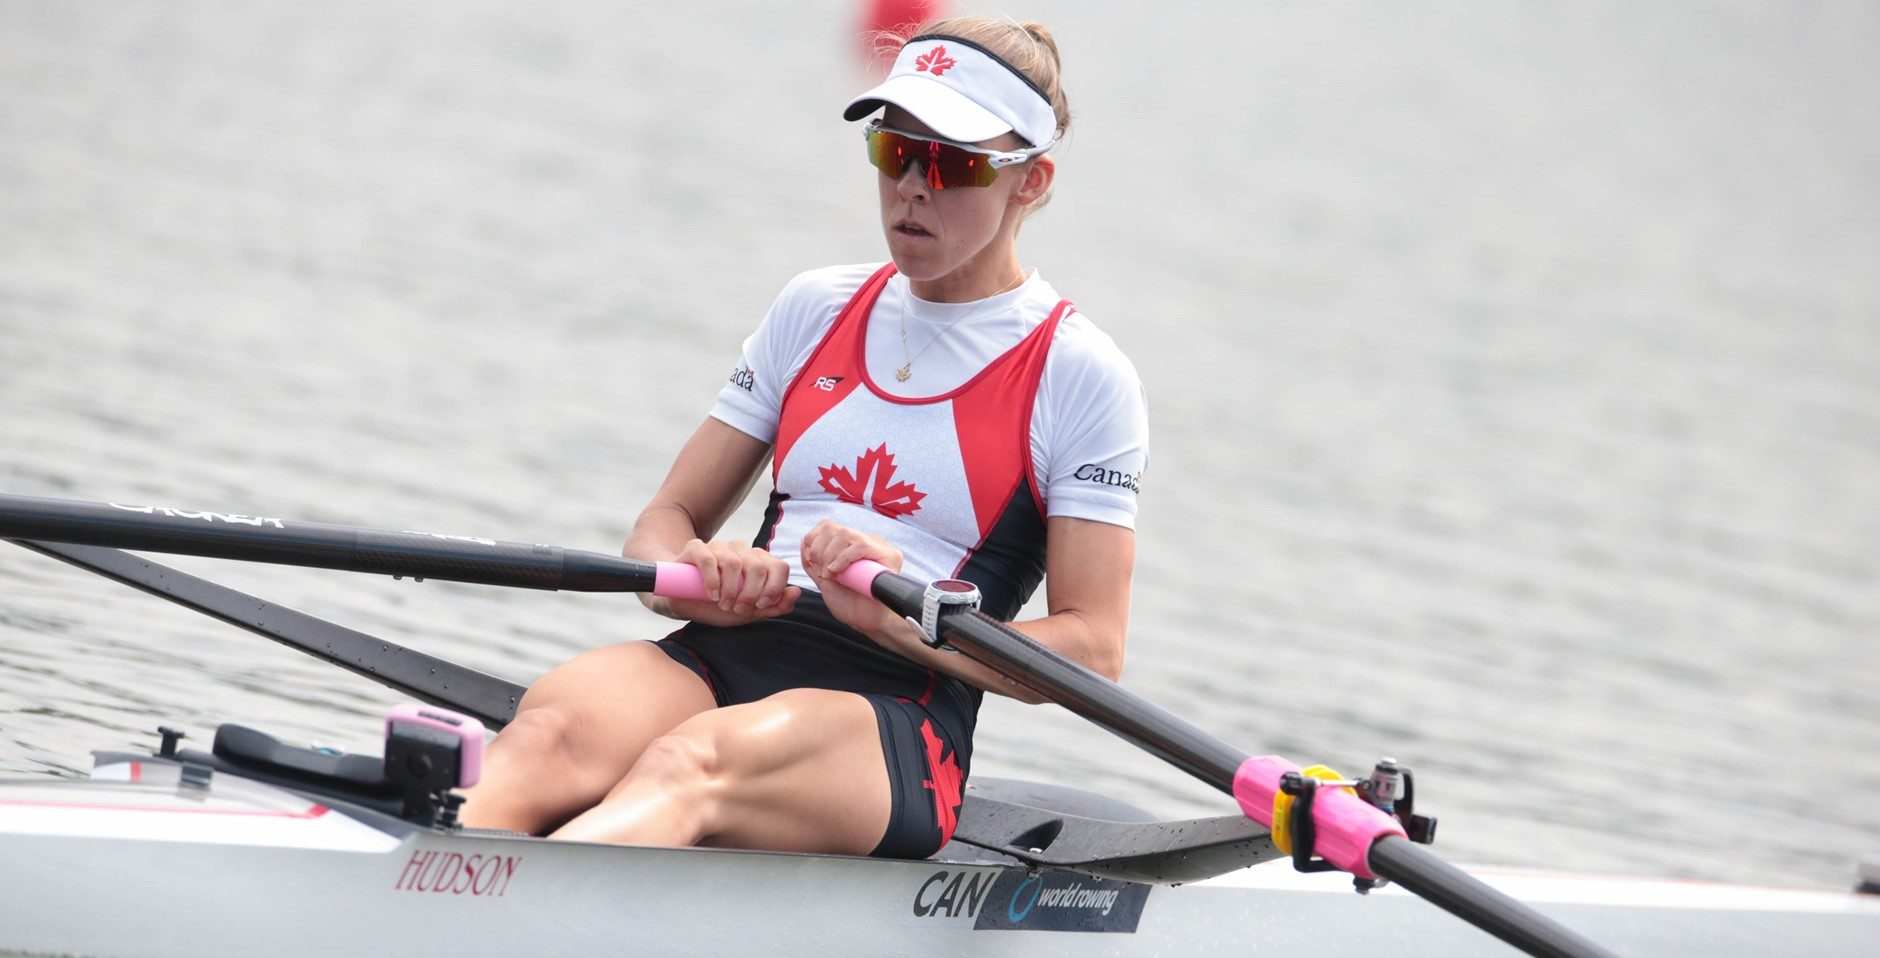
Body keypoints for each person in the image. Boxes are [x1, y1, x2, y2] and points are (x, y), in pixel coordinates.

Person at [459, 15, 1148, 860]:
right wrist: (693, 580)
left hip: (897, 710)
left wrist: (903, 622)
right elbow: (666, 520)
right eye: (895, 150)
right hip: (722, 654)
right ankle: (426, 876)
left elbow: (1092, 649)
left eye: (952, 163)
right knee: (548, 730)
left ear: (1031, 181)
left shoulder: (1079, 374)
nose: (913, 187)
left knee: (687, 763)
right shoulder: (815, 307)